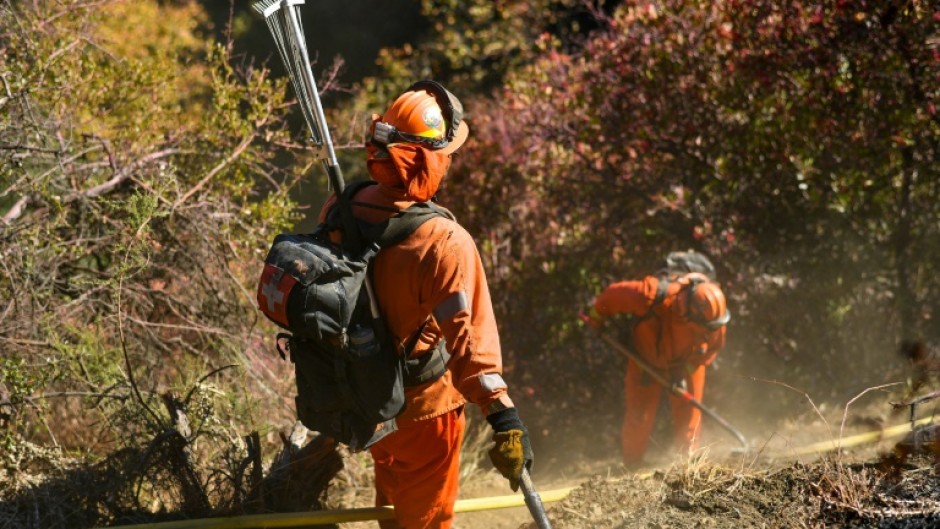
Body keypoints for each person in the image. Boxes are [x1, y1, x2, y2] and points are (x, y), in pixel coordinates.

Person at [317, 80, 532, 529]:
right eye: (446, 154)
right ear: (427, 159)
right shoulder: (444, 240)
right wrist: (503, 416)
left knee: (394, 515)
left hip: (367, 399)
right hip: (423, 413)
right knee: (426, 524)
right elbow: (469, 341)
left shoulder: (340, 207)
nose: (450, 161)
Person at [584, 269, 729, 467]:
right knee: (639, 416)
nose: (710, 332)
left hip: (687, 364)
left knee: (689, 413)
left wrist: (683, 371)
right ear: (687, 315)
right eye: (705, 329)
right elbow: (612, 295)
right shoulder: (652, 295)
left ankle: (688, 465)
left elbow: (711, 349)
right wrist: (596, 317)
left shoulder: (713, 320)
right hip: (646, 361)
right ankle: (632, 466)